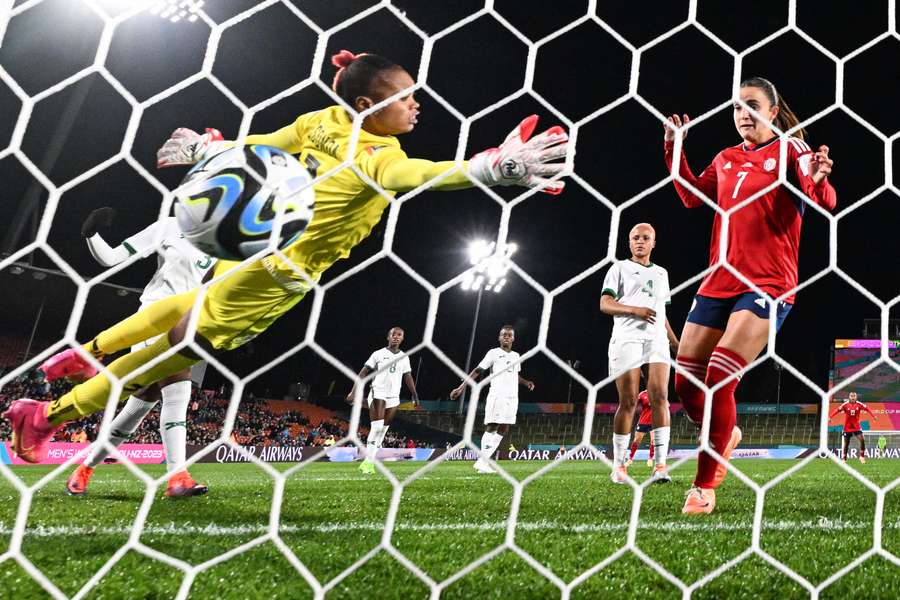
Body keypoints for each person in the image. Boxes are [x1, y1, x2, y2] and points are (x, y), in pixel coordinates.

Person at [3, 50, 568, 465]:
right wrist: (488, 168)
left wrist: (208, 149)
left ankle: (83, 355)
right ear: (369, 106)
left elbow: (259, 145)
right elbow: (421, 175)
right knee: (173, 356)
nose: (417, 104)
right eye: (406, 97)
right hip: (277, 276)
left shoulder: (320, 121)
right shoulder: (379, 156)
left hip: (246, 245)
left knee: (181, 311)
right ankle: (48, 417)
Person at [664, 77, 836, 514]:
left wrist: (816, 180)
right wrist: (674, 147)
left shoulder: (791, 150)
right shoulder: (725, 158)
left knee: (721, 375)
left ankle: (704, 486)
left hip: (768, 284)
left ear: (773, 112)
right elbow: (689, 196)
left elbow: (825, 198)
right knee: (685, 382)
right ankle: (726, 434)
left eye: (752, 105)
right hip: (718, 280)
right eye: (737, 107)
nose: (743, 113)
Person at [49, 211, 213, 497]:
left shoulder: (226, 244)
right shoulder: (171, 226)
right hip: (152, 318)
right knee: (178, 390)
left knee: (138, 408)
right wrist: (92, 234)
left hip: (187, 324)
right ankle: (177, 477)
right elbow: (112, 258)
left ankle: (84, 469)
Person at [600, 223, 678, 485]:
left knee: (661, 397)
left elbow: (662, 312)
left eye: (646, 238)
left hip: (656, 340)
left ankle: (660, 466)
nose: (640, 242)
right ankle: (620, 466)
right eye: (635, 238)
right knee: (629, 401)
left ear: (654, 243)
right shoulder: (619, 268)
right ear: (629, 242)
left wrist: (675, 342)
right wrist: (635, 310)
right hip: (627, 338)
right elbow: (605, 303)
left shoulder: (662, 273)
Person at [449, 325, 535, 473]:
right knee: (492, 426)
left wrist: (526, 382)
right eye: (504, 335)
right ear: (499, 337)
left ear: (513, 338)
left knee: (504, 427)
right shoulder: (493, 353)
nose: (507, 337)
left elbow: (515, 374)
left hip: (512, 397)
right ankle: (483, 462)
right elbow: (478, 370)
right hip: (498, 394)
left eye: (509, 335)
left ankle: (483, 462)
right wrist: (461, 387)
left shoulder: (516, 356)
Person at [346, 327, 419, 474]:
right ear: (388, 337)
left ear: (402, 338)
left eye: (399, 335)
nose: (396, 337)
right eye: (393, 334)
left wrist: (415, 395)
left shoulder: (404, 357)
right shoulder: (378, 354)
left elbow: (408, 377)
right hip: (378, 392)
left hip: (394, 396)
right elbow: (363, 372)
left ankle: (369, 461)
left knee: (383, 430)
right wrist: (353, 391)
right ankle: (368, 462)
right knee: (377, 428)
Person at [829, 391, 874, 463]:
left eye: (854, 396)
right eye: (851, 396)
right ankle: (844, 458)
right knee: (846, 443)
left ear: (856, 397)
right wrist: (830, 417)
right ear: (849, 397)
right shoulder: (845, 405)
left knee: (862, 440)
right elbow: (837, 410)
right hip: (847, 427)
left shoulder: (859, 404)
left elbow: (867, 408)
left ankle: (862, 456)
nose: (853, 398)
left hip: (856, 427)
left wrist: (873, 416)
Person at [626, 389, 655, 469]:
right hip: (643, 421)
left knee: (653, 440)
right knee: (636, 441)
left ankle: (650, 458)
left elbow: (666, 405)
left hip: (654, 421)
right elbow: (633, 403)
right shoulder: (642, 394)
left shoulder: (658, 393)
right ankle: (630, 459)